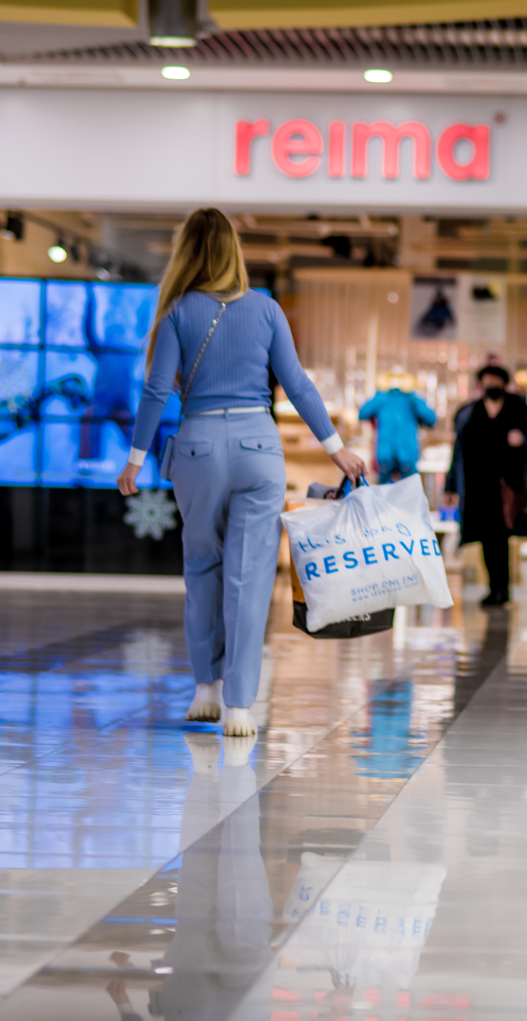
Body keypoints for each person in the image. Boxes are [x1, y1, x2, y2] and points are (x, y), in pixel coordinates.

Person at [117, 208, 365, 737]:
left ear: (187, 252)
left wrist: (135, 459)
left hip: (198, 447)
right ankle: (239, 705)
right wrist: (336, 449)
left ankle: (205, 687)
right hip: (258, 446)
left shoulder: (176, 313)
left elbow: (157, 390)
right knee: (249, 577)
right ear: (234, 251)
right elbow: (297, 383)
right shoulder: (267, 310)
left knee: (201, 565)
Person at [444, 365, 527, 606]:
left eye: (496, 381)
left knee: (501, 538)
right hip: (477, 487)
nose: (492, 385)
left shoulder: (518, 408)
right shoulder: (470, 412)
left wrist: (522, 440)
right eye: (487, 381)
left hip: (508, 487)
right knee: (484, 538)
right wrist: (451, 485)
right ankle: (493, 588)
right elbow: (458, 452)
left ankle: (503, 588)